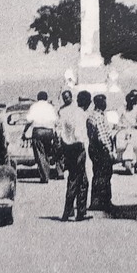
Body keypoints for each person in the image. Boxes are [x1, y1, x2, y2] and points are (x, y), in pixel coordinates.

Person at [56, 89, 89, 221]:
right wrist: (79, 142)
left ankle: (79, 212)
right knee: (76, 180)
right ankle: (69, 212)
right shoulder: (79, 112)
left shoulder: (62, 111)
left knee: (81, 180)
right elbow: (79, 132)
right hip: (77, 147)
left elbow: (59, 129)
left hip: (67, 147)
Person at [88, 92, 116, 210]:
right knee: (105, 176)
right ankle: (105, 202)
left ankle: (95, 201)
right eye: (104, 102)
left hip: (93, 149)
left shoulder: (91, 116)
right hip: (101, 150)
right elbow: (102, 137)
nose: (105, 104)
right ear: (100, 103)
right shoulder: (99, 117)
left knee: (97, 175)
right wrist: (110, 151)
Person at [25, 90, 60, 182]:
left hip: (38, 132)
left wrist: (24, 132)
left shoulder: (34, 106)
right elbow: (56, 121)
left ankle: (44, 176)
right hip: (49, 132)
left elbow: (29, 120)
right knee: (47, 153)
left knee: (40, 154)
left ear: (38, 98)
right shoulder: (50, 107)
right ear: (46, 98)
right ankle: (47, 173)